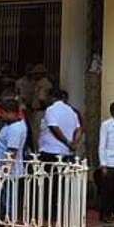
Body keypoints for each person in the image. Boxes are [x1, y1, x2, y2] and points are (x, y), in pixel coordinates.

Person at [38, 89, 81, 219]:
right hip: (66, 152)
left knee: (49, 185)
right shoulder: (71, 111)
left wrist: (67, 142)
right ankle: (60, 211)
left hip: (51, 151)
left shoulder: (51, 110)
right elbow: (79, 128)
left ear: (52, 97)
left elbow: (54, 127)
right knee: (62, 184)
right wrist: (74, 143)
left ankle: (49, 213)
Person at [0, 97, 28, 219]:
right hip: (3, 170)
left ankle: (8, 218)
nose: (0, 115)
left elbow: (11, 152)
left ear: (10, 112)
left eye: (2, 113)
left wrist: (1, 172)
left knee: (7, 198)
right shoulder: (10, 125)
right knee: (4, 196)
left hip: (8, 172)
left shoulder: (15, 128)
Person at [17, 64, 54, 148]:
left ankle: (37, 152)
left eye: (36, 74)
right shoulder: (42, 83)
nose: (34, 76)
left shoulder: (43, 84)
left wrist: (43, 108)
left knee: (37, 133)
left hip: (40, 111)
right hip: (39, 110)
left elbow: (42, 98)